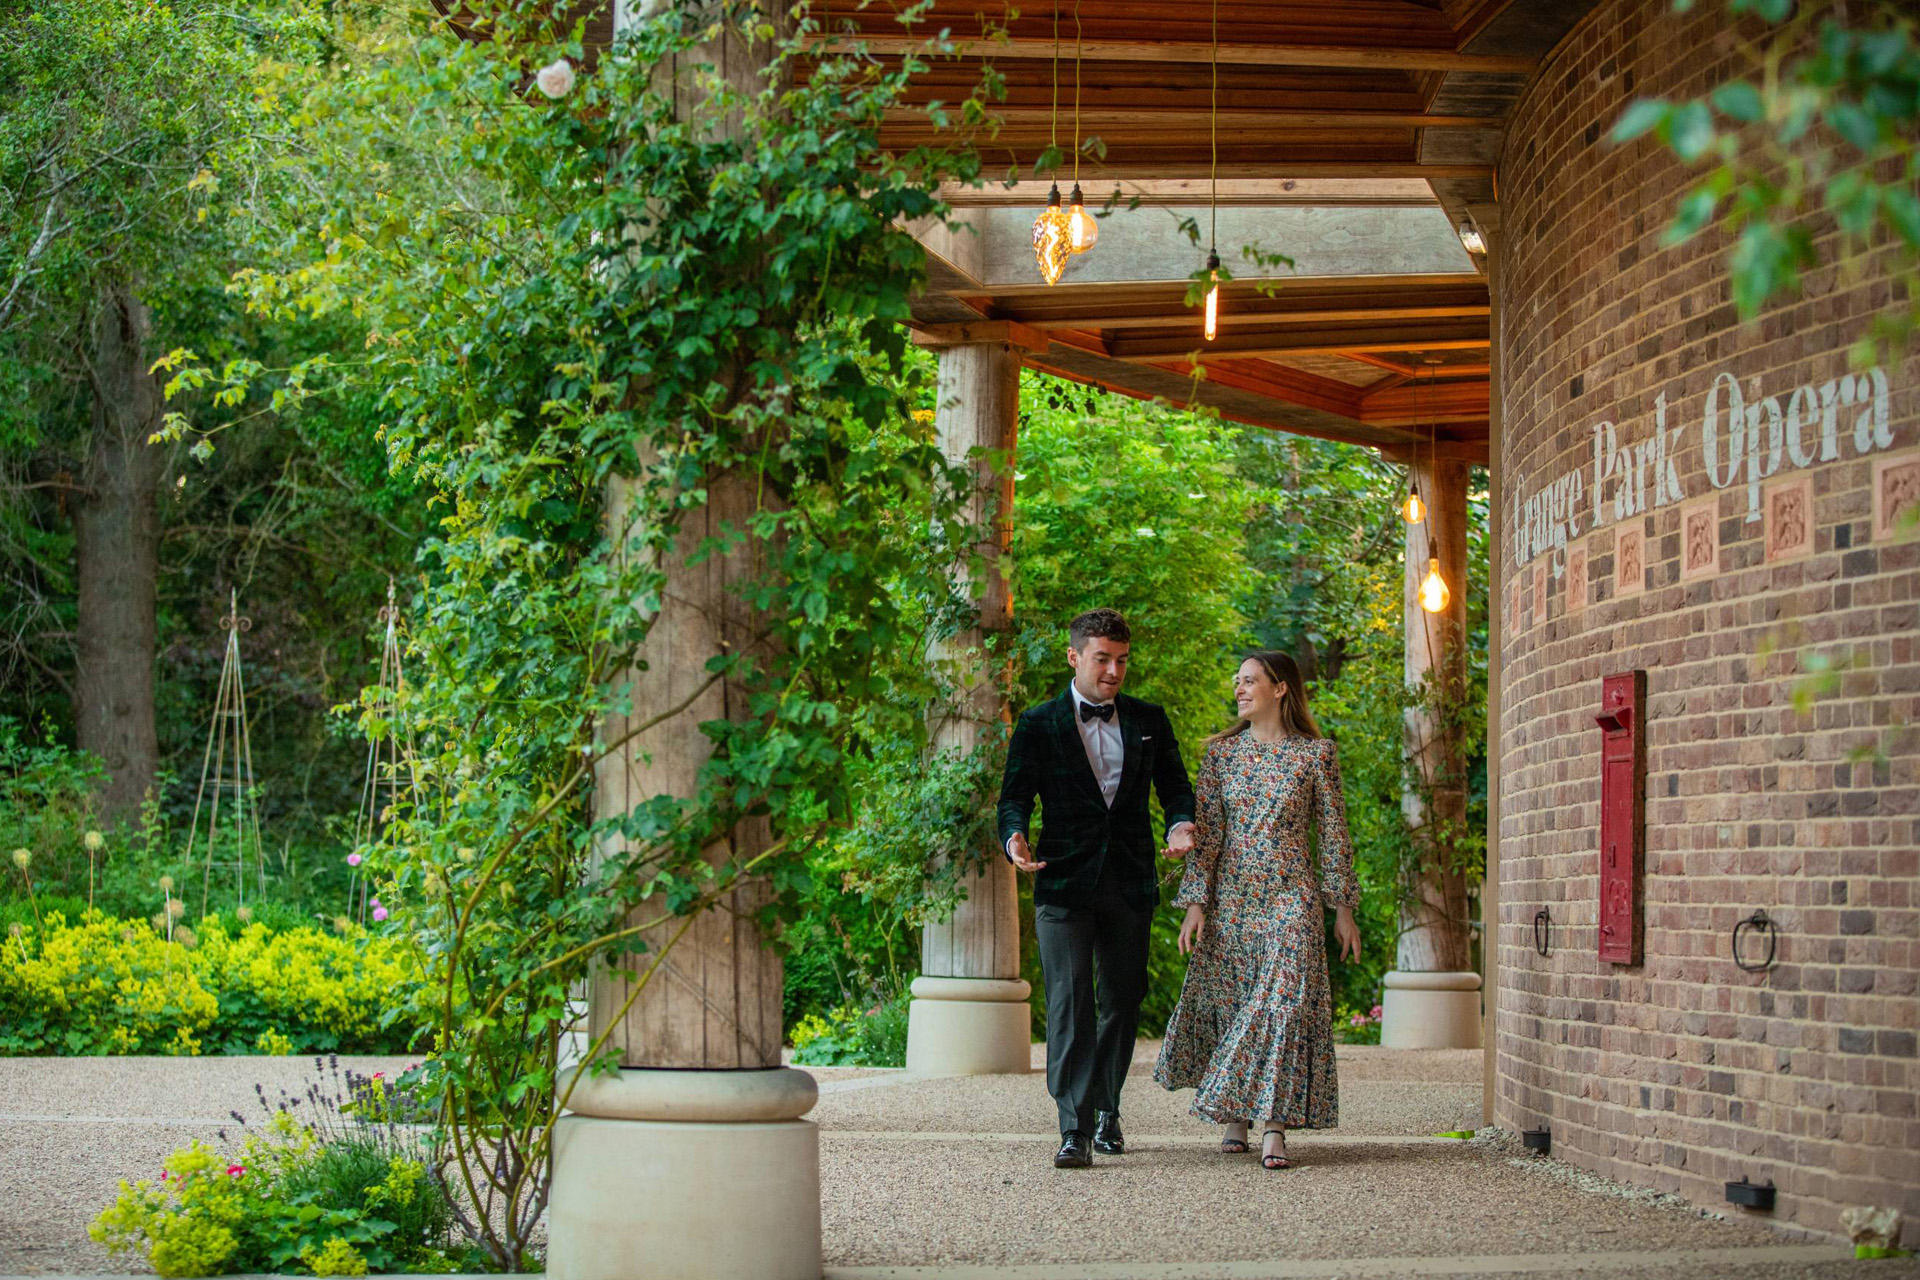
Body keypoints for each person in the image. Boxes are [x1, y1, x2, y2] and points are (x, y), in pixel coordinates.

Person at [997, 608, 1196, 1169]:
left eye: (1122, 661)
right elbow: (1014, 799)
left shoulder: (1149, 719)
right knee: (1070, 999)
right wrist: (1013, 838)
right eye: (1103, 659)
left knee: (1122, 1000)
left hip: (1130, 880)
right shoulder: (1038, 723)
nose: (1114, 671)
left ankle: (1107, 1107)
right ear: (1074, 657)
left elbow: (1176, 790)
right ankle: (1075, 1126)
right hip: (1062, 882)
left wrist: (1180, 824)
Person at [1152, 651, 1362, 1171]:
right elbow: (1210, 838)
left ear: (1280, 688)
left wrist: (1343, 908)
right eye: (1237, 682)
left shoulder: (1316, 755)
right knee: (1237, 1003)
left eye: (1249, 681)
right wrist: (1195, 903)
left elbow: (1334, 835)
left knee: (1284, 1004)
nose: (1239, 689)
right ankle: (1234, 1113)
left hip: (1293, 897)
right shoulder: (1221, 757)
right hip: (1232, 899)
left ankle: (1273, 1124)